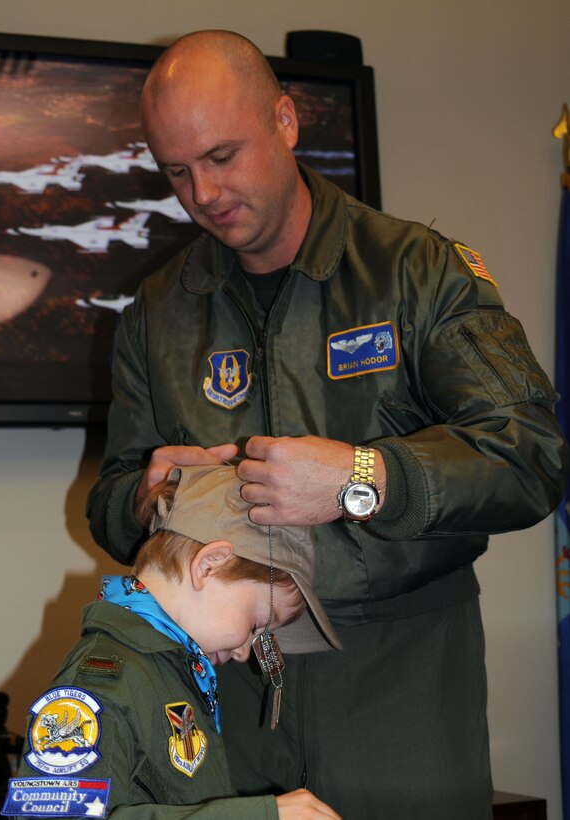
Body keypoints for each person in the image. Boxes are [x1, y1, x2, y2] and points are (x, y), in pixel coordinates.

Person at [86, 29, 569, 820]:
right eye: (176, 171)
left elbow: (529, 457)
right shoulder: (158, 312)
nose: (202, 193)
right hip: (223, 689)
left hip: (399, 681)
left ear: (284, 120)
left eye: (221, 156)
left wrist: (360, 478)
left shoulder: (417, 271)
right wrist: (142, 497)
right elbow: (108, 502)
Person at [4, 465, 342, 819]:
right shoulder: (102, 685)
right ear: (210, 565)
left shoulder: (174, 674)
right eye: (257, 623)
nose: (246, 651)